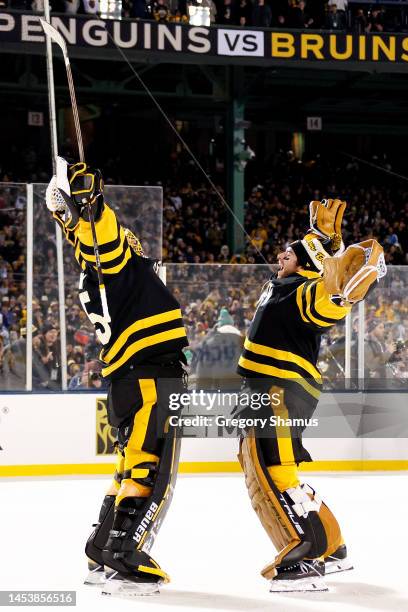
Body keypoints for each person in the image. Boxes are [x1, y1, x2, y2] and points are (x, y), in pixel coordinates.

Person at [45, 159, 188, 596]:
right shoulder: (119, 261)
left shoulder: (102, 276)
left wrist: (70, 219)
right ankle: (124, 554)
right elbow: (104, 239)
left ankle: (101, 548)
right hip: (151, 376)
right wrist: (90, 206)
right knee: (149, 468)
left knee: (128, 466)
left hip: (129, 379)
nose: (140, 246)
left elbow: (92, 246)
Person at [235, 198, 386, 592]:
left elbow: (324, 300)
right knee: (273, 469)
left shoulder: (301, 291)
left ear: (303, 265)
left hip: (276, 390)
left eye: (289, 252)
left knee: (271, 471)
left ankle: (307, 550)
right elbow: (314, 270)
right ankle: (330, 545)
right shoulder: (283, 285)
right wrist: (318, 240)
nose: (280, 254)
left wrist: (339, 293)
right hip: (277, 389)